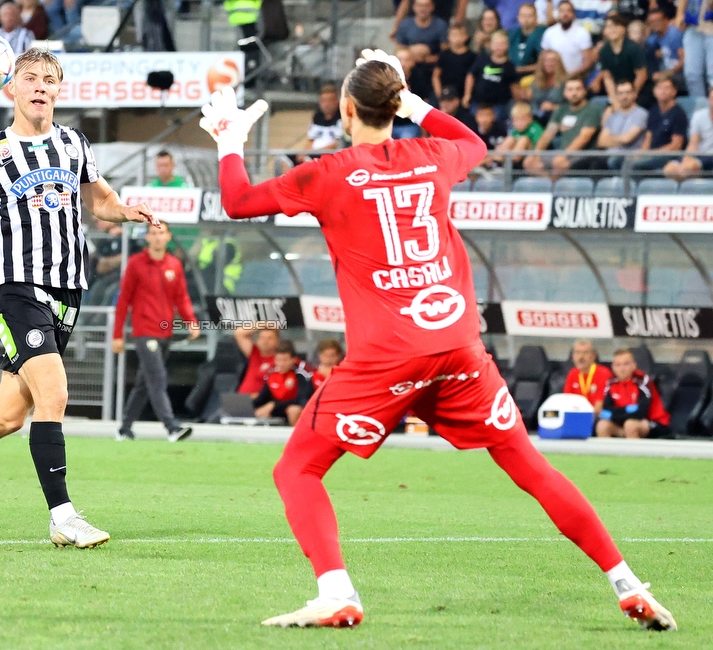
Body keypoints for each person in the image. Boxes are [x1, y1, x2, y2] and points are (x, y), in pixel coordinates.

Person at [197, 50, 675, 631]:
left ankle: (336, 592)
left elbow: (238, 200)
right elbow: (476, 142)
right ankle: (626, 582)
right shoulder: (433, 155)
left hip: (387, 358)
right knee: (528, 465)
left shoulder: (328, 173)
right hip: (456, 346)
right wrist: (414, 100)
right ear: (396, 108)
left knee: (296, 469)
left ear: (346, 109)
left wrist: (228, 139)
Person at [0, 48, 160, 549]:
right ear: (11, 88)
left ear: (58, 91)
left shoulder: (73, 144)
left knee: (6, 417)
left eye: (49, 79)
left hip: (69, 291)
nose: (41, 86)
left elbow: (100, 201)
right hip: (18, 290)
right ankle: (63, 517)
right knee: (55, 393)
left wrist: (128, 211)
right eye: (31, 78)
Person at [112, 223, 199, 442]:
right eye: (153, 233)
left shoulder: (174, 265)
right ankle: (172, 428)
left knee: (145, 382)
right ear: (147, 237)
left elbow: (182, 297)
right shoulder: (136, 264)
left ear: (168, 236)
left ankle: (124, 428)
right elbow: (124, 300)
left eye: (161, 233)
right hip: (144, 331)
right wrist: (117, 334)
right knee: (158, 378)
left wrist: (191, 321)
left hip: (165, 332)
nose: (158, 237)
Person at [523, 76, 603, 177]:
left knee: (559, 163)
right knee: (529, 162)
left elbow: (584, 138)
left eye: (578, 89)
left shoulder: (592, 110)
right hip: (562, 151)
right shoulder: (561, 110)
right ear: (565, 93)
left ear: (584, 91)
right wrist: (536, 153)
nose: (574, 93)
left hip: (584, 153)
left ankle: (555, 190)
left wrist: (564, 155)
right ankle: (551, 186)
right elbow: (547, 134)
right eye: (570, 89)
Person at [595, 349, 670, 439]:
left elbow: (641, 412)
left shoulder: (642, 380)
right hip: (623, 422)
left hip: (653, 422)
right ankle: (608, 453)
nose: (622, 369)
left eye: (626, 364)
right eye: (618, 365)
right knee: (602, 425)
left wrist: (615, 414)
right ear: (613, 367)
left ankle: (634, 453)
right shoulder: (611, 382)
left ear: (634, 365)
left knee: (630, 425)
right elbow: (606, 410)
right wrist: (627, 410)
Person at [394, 0, 449, 101]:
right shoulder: (405, 25)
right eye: (419, 5)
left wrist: (426, 59)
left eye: (426, 5)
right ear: (414, 7)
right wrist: (412, 54)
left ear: (432, 7)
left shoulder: (441, 25)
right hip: (410, 69)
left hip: (432, 68)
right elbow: (398, 49)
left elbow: (445, 53)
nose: (422, 9)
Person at [630, 77, 687, 170]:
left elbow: (676, 145)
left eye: (666, 88)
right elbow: (648, 138)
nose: (662, 91)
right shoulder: (653, 111)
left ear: (674, 92)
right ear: (654, 91)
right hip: (651, 154)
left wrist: (652, 153)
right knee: (618, 161)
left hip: (668, 156)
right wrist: (641, 153)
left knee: (635, 165)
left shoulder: (678, 114)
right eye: (659, 88)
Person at [252, 340, 313, 425]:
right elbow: (263, 398)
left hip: (295, 410)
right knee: (261, 411)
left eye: (285, 360)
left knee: (293, 410)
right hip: (277, 409)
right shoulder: (272, 375)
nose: (281, 364)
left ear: (293, 360)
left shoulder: (302, 374)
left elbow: (302, 399)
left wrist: (274, 404)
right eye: (278, 360)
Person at [463, 30, 518, 122]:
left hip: (499, 105)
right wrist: (467, 94)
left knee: (496, 124)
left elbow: (514, 86)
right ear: (491, 45)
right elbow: (471, 75)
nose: (499, 47)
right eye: (496, 44)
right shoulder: (482, 59)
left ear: (507, 45)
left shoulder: (509, 66)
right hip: (479, 102)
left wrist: (517, 102)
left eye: (502, 44)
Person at [593, 14, 648, 105]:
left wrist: (631, 96)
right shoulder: (604, 51)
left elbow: (641, 75)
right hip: (618, 91)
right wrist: (614, 99)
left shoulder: (633, 49)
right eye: (608, 27)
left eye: (616, 26)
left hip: (639, 92)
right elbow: (607, 77)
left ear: (624, 29)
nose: (612, 30)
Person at [664, 85, 713, 180]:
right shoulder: (699, 116)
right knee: (669, 169)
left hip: (711, 156)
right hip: (699, 154)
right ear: (709, 99)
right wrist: (687, 158)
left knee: (689, 167)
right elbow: (693, 143)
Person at [599, 80, 649, 169]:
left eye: (628, 93)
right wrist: (620, 140)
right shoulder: (613, 115)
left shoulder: (641, 114)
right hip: (609, 154)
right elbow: (601, 141)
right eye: (620, 93)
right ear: (617, 96)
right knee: (585, 164)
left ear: (635, 94)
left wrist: (610, 139)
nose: (624, 96)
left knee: (600, 165)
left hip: (627, 156)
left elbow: (627, 139)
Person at [540, 1, 594, 75]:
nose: (565, 14)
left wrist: (572, 76)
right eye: (562, 11)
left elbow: (588, 62)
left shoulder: (582, 33)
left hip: (575, 77)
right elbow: (543, 57)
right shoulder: (549, 32)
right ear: (558, 14)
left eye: (569, 11)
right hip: (553, 77)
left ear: (574, 15)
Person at [562, 338, 613, 415]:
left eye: (585, 353)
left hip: (595, 416)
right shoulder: (572, 373)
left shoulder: (603, 373)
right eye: (577, 353)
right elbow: (566, 400)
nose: (581, 357)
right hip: (575, 414)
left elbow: (599, 406)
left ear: (593, 356)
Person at [676, 0, 713, 99]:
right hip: (693, 28)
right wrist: (679, 14)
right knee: (691, 74)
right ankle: (699, 107)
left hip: (711, 27)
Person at [432, 24, 475, 100]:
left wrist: (467, 95)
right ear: (448, 37)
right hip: (446, 92)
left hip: (463, 93)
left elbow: (472, 76)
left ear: (466, 37)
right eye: (454, 35)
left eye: (460, 35)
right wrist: (439, 94)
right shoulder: (444, 55)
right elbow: (436, 76)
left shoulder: (472, 56)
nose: (457, 38)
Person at [234, 324, 280, 395]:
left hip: (260, 402)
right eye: (262, 338)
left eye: (269, 338)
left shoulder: (280, 360)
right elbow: (239, 333)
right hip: (241, 399)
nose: (265, 341)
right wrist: (265, 324)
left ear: (277, 342)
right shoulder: (254, 352)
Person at [645, 8, 684, 90]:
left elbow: (684, 59)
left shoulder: (674, 34)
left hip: (678, 73)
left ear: (666, 20)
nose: (655, 24)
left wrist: (668, 73)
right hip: (664, 70)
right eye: (651, 22)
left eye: (658, 20)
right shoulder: (653, 38)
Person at [525, 49, 566, 124]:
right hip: (536, 118)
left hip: (557, 119)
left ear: (559, 63)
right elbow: (533, 103)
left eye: (553, 60)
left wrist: (554, 107)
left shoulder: (566, 81)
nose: (549, 63)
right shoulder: (536, 81)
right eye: (546, 61)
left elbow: (573, 107)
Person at [508, 3, 546, 76]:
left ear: (536, 17)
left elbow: (545, 63)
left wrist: (522, 69)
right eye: (523, 16)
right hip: (513, 75)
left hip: (535, 76)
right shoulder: (514, 34)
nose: (526, 19)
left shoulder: (542, 34)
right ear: (518, 17)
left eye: (529, 16)